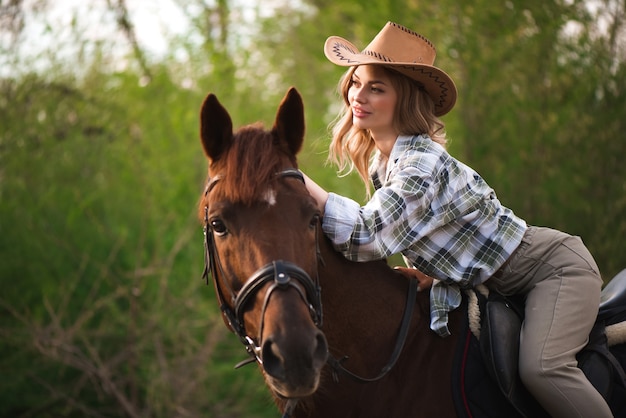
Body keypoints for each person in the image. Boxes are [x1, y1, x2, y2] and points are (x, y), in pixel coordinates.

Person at [301, 21, 612, 418]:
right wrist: (430, 272)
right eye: (356, 82)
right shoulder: (385, 165)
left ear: (405, 100)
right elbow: (430, 232)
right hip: (499, 277)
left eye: (376, 88)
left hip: (551, 268)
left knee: (543, 369)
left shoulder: (419, 164)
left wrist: (300, 183)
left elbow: (366, 235)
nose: (358, 96)